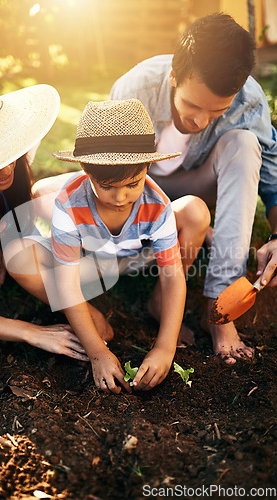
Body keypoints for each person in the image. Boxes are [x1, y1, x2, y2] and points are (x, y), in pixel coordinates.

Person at [110, 13, 277, 364]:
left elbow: (273, 185)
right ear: (174, 74)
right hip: (141, 189)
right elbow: (113, 182)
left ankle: (220, 308)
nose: (200, 121)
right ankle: (164, 288)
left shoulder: (249, 101)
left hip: (199, 185)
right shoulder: (133, 91)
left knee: (245, 145)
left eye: (217, 110)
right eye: (191, 105)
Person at [49, 98, 210, 393]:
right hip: (92, 261)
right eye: (108, 187)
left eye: (133, 184)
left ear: (148, 166)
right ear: (86, 169)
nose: (121, 198)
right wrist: (97, 352)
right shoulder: (68, 204)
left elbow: (173, 278)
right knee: (25, 255)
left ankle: (155, 304)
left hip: (139, 255)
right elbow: (66, 285)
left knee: (195, 211)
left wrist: (165, 347)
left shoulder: (157, 206)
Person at [0, 59, 88, 360]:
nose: (7, 167)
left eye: (6, 149)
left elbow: (18, 216)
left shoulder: (17, 160)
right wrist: (31, 332)